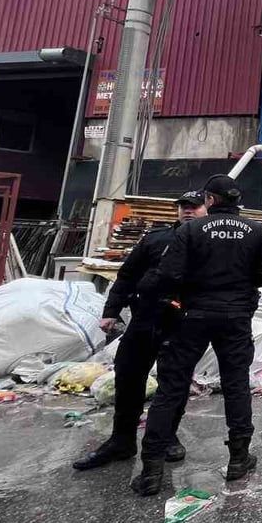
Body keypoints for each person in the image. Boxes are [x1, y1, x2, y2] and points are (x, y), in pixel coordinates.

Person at [131, 175, 262, 496]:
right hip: (236, 317)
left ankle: (152, 470)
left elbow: (168, 273)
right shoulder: (256, 231)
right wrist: (241, 284)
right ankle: (239, 458)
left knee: (171, 389)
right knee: (236, 385)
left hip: (193, 316)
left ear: (210, 200)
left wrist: (181, 291)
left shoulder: (190, 230)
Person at [73, 191, 207, 471]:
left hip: (182, 322)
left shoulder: (210, 242)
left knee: (174, 383)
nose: (188, 211)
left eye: (194, 207)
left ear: (207, 208)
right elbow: (128, 274)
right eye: (183, 207)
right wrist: (111, 311)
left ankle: (167, 437)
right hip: (145, 318)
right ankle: (121, 441)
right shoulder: (156, 238)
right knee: (128, 378)